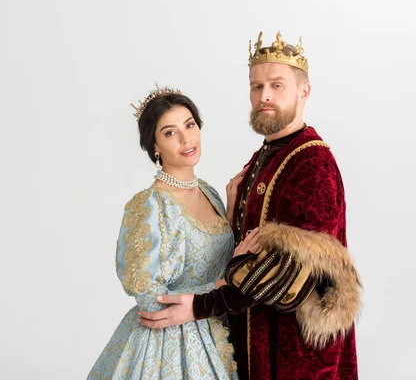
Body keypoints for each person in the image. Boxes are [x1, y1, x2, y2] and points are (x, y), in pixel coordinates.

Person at [138, 32, 361, 380]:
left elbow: (289, 274)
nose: (265, 96)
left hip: (297, 352)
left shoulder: (312, 162)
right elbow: (245, 247)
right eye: (256, 86)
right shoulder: (267, 154)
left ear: (304, 91)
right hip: (256, 339)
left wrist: (202, 306)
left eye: (276, 85)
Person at [87, 85, 261, 379]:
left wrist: (230, 211)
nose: (185, 138)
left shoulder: (208, 191)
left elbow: (208, 255)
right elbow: (151, 300)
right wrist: (225, 282)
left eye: (190, 124)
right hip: (168, 345)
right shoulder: (150, 205)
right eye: (169, 132)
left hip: (216, 329)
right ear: (155, 146)